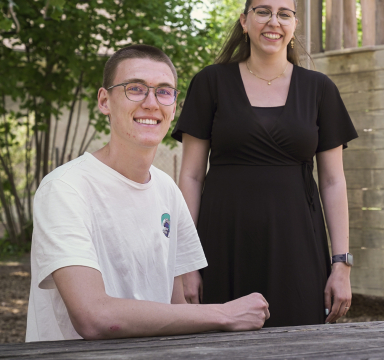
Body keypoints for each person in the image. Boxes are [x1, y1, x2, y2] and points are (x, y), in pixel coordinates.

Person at [26, 45, 269, 342]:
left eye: (164, 92)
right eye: (136, 88)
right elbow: (93, 317)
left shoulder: (167, 190)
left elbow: (177, 310)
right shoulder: (65, 188)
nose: (151, 103)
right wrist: (225, 314)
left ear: (174, 105)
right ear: (105, 101)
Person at [173, 0, 358, 327]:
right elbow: (191, 176)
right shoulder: (210, 83)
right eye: (263, 12)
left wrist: (341, 264)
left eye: (284, 14)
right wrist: (187, 262)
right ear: (244, 21)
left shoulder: (320, 90)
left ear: (294, 26)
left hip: (298, 244)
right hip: (221, 243)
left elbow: (334, 181)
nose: (274, 22)